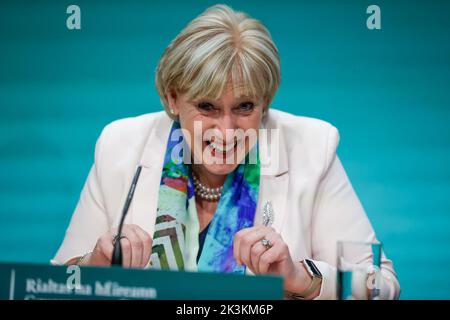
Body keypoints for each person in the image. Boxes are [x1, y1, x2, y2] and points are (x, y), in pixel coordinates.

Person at [52, 4, 400, 300]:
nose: (227, 130)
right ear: (173, 99)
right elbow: (50, 287)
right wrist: (94, 264)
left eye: (245, 106)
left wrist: (303, 279)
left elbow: (381, 285)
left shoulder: (310, 147)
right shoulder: (121, 146)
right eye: (207, 106)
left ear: (265, 104)